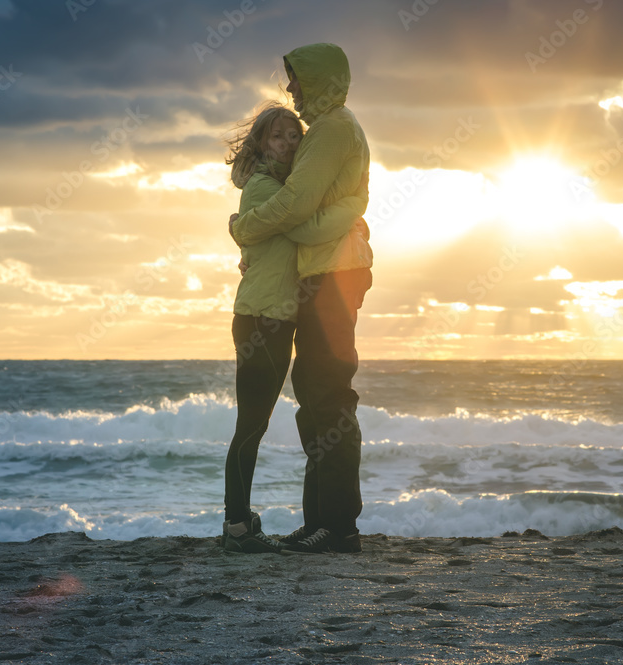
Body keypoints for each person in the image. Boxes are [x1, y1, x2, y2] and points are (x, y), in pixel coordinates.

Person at [230, 43, 373, 554]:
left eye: (295, 79)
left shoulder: (333, 129)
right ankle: (321, 522)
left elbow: (294, 206)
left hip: (334, 275)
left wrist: (243, 229)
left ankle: (336, 527)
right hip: (325, 274)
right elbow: (324, 201)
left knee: (328, 398)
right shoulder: (329, 129)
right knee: (314, 397)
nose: (289, 88)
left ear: (317, 79)